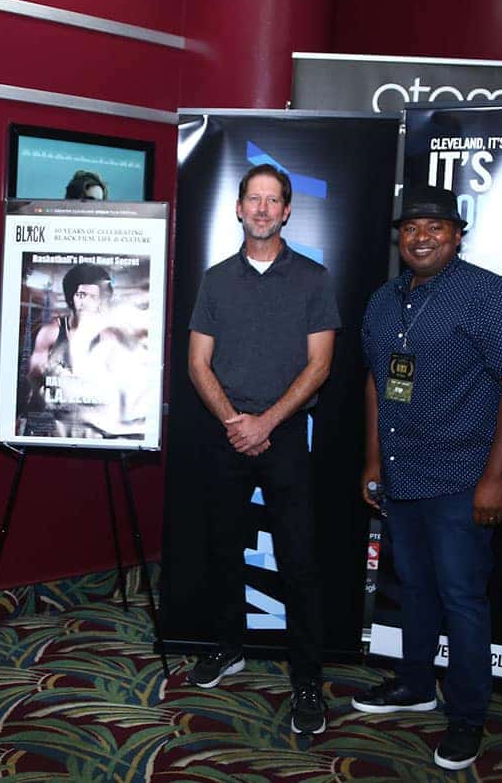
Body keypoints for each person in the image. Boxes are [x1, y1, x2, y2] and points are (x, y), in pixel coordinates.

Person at [353, 185, 502, 771]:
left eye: (435, 226)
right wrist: (374, 459)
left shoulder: (491, 294)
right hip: (403, 472)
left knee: (462, 597)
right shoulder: (383, 300)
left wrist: (495, 479)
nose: (421, 236)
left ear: (458, 235)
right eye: (410, 227)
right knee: (413, 587)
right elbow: (377, 382)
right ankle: (414, 684)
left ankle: (467, 716)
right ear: (399, 238)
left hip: (464, 474)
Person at [185, 163, 340, 736]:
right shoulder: (216, 279)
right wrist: (234, 421)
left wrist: (267, 422)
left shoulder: (315, 279)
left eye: (274, 201)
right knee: (222, 549)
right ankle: (230, 647)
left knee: (299, 562)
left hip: (284, 438)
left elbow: (320, 365)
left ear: (288, 211)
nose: (263, 209)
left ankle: (306, 680)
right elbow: (198, 362)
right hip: (226, 435)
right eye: (254, 199)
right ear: (239, 208)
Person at [25, 262, 148, 438]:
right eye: (81, 295)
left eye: (93, 297)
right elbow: (34, 382)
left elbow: (125, 390)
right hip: (56, 425)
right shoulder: (51, 332)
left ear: (101, 300)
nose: (86, 302)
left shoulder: (111, 336)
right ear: (71, 296)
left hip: (98, 427)